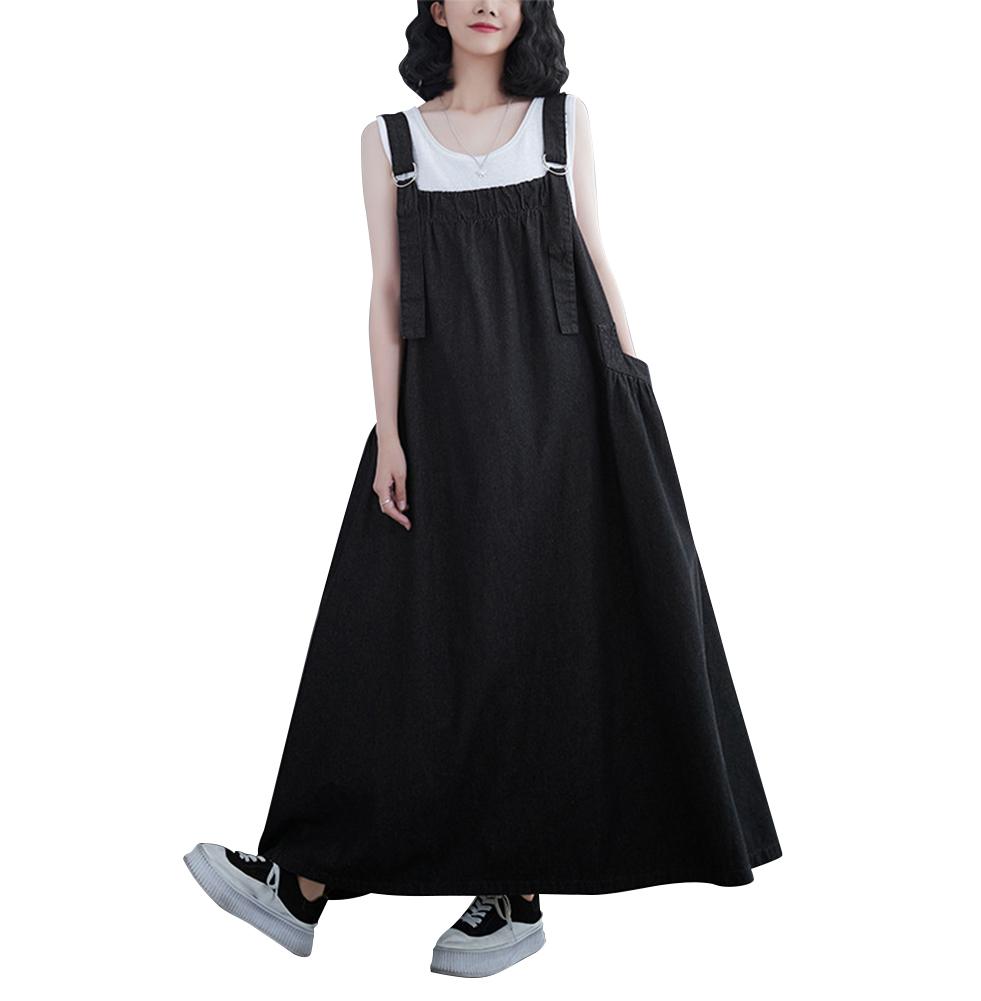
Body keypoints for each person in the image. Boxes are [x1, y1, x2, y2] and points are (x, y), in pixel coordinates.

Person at [184, 0, 782, 979]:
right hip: (442, 418)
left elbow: (591, 254)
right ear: (433, 7)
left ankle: (511, 889)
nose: (486, 2)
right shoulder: (388, 142)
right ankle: (304, 880)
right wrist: (389, 432)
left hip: (568, 412)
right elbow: (385, 291)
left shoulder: (563, 123)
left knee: (546, 634)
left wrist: (631, 395)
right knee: (389, 632)